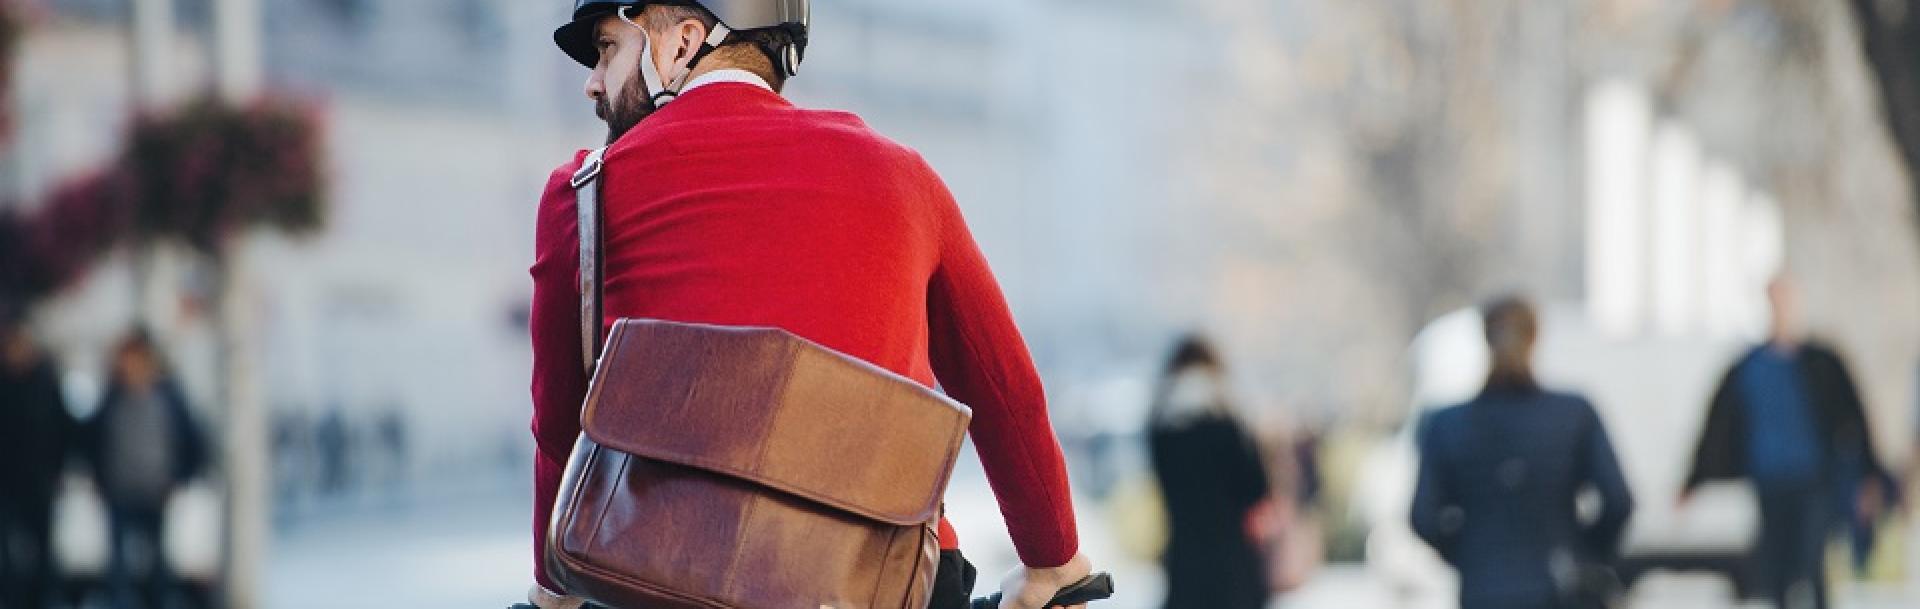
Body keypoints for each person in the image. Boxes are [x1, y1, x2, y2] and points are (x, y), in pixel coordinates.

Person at [528, 3, 1091, 608]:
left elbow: (561, 421)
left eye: (608, 48)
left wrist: (552, 583)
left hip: (661, 571)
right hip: (884, 579)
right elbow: (1004, 389)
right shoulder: (904, 178)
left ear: (682, 42)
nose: (592, 80)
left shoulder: (581, 192)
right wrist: (1050, 562)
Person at [1680, 276, 1895, 609]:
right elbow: (1717, 428)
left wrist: (1870, 474)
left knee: (1810, 561)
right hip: (1769, 481)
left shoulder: (1822, 362)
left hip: (1813, 479)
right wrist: (1692, 480)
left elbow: (1855, 419)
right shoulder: (1748, 368)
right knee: (1776, 569)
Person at [1411, 295, 1635, 609]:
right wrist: (1581, 548)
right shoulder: (1573, 414)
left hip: (1483, 588)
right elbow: (1618, 500)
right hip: (1557, 582)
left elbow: (1423, 516)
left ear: (1485, 338)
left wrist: (1467, 554)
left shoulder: (1446, 424)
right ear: (1535, 338)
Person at [83, 327, 207, 609]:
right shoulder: (112, 396)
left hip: (156, 489)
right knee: (119, 567)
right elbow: (93, 440)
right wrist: (98, 479)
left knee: (157, 565)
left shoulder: (168, 396)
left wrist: (180, 479)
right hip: (119, 490)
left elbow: (192, 439)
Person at [1147, 335, 1272, 609]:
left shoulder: (1161, 427)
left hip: (1184, 560)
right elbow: (1257, 489)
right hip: (1232, 563)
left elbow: (1160, 484)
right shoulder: (1229, 421)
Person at [0, 303, 74, 609]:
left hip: (39, 479)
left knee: (43, 551)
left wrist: (59, 468)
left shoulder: (46, 380)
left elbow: (63, 428)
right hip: (6, 480)